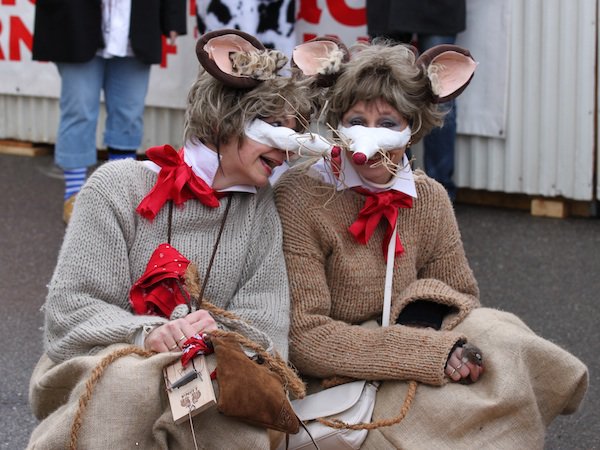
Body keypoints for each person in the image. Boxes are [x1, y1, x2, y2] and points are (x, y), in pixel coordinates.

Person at [274, 40, 588, 448]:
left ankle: (550, 385)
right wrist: (423, 351)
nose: (369, 135)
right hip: (339, 371)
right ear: (336, 123)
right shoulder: (302, 194)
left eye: (387, 122)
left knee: (501, 334)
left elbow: (459, 293)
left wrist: (422, 323)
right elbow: (305, 336)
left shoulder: (430, 198)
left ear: (412, 127)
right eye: (356, 118)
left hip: (414, 342)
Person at [27, 29, 317, 449]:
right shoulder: (116, 186)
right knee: (130, 383)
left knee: (224, 405)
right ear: (224, 119)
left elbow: (268, 331)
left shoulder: (259, 210)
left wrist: (210, 334)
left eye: (295, 131)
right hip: (106, 365)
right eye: (274, 127)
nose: (288, 148)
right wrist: (150, 335)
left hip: (206, 370)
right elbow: (71, 311)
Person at [31, 0, 187, 223]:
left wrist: (173, 16)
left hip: (137, 24)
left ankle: (119, 189)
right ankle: (75, 194)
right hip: (75, 21)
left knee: (129, 113)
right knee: (79, 110)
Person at [367, 0, 467, 201]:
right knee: (387, 92)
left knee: (439, 94)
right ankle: (396, 186)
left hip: (435, 10)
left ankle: (437, 195)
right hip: (388, 9)